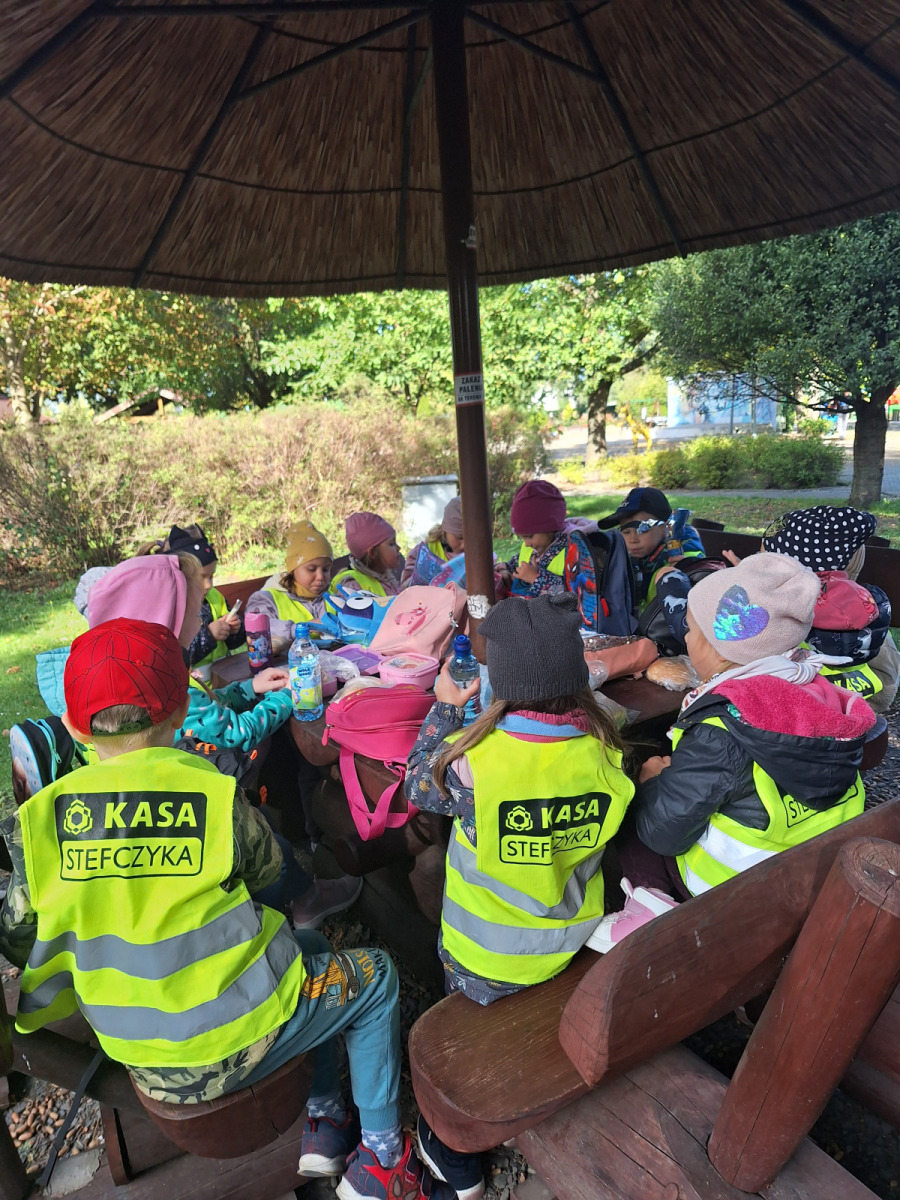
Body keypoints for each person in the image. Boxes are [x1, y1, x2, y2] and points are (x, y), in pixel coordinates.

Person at [0, 619, 451, 1200]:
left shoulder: (36, 825)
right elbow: (276, 877)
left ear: (71, 724)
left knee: (311, 950)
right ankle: (384, 1159)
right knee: (376, 976)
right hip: (236, 1038)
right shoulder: (209, 793)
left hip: (137, 1053)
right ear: (179, 711)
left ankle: (326, 1121)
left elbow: (18, 939)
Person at [403, 593, 634, 1200]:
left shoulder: (473, 763)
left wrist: (445, 708)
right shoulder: (608, 752)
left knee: (463, 1031)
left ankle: (453, 1155)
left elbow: (416, 784)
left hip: (481, 958)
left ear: (498, 684)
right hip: (565, 946)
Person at [598, 554, 875, 946]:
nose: (686, 639)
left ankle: (649, 904)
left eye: (691, 630)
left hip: (735, 892)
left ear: (719, 649)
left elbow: (665, 832)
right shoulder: (818, 691)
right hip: (812, 873)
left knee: (633, 807)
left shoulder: (724, 727)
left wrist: (653, 782)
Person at [758, 506, 894, 709]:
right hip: (859, 712)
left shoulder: (776, 614)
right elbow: (887, 684)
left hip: (794, 716)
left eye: (764, 561)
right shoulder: (869, 609)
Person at [151, 523, 245, 669]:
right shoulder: (170, 608)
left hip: (223, 675)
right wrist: (209, 635)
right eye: (201, 577)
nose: (208, 585)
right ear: (181, 576)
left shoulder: (214, 597)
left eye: (211, 576)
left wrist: (234, 629)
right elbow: (175, 655)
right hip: (191, 682)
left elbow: (236, 643)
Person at [599, 487, 704, 609]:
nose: (633, 540)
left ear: (666, 529)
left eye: (642, 530)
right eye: (626, 532)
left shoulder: (684, 557)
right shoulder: (629, 557)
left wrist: (683, 571)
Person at [246, 519, 337, 649]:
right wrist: (297, 629)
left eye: (326, 569)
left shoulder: (332, 596)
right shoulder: (267, 599)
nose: (320, 576)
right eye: (311, 569)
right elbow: (257, 627)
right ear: (293, 569)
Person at [502, 480, 569, 597]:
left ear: (550, 527)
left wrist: (535, 578)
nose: (526, 544)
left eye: (529, 536)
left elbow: (575, 596)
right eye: (522, 537)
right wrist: (504, 570)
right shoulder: (532, 549)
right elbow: (515, 564)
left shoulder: (571, 552)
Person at [331, 512, 404, 597]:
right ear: (372, 553)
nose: (398, 548)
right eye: (391, 544)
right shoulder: (353, 588)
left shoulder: (388, 580)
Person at [401, 496, 464, 586]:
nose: (464, 545)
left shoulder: (480, 555)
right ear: (445, 530)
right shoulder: (424, 552)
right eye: (459, 537)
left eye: (472, 541)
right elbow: (405, 587)